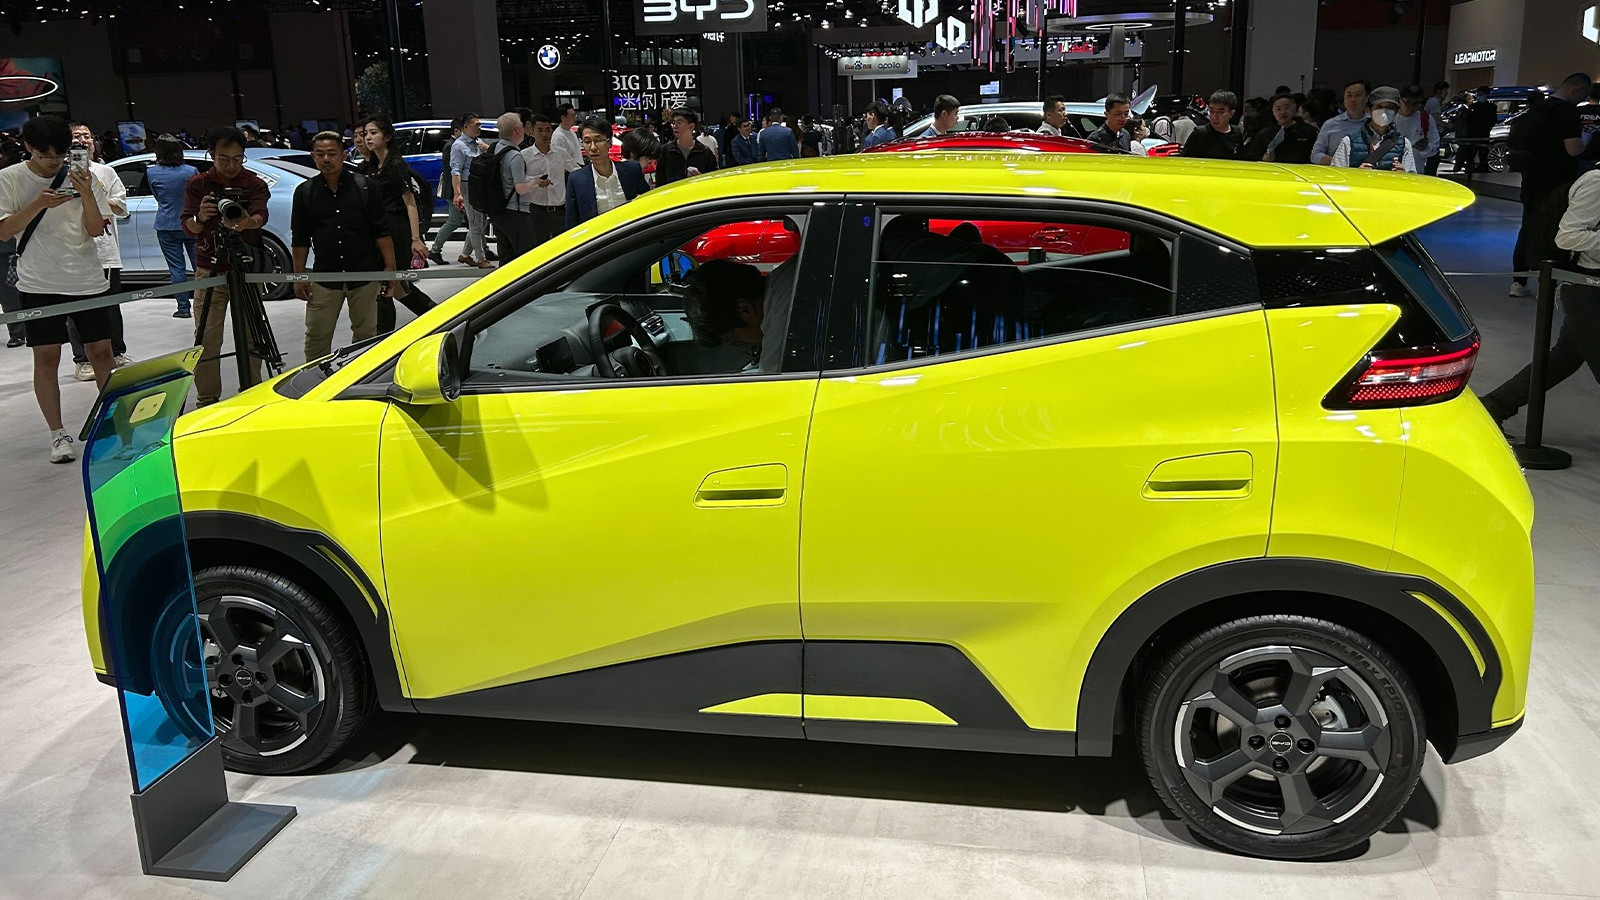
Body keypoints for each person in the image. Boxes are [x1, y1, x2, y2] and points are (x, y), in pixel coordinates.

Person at [0, 115, 113, 461]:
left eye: (60, 154)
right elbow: (4, 232)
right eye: (45, 155)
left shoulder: (84, 174)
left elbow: (95, 230)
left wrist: (86, 192)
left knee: (102, 353)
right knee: (46, 357)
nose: (53, 161)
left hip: (87, 279)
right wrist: (39, 203)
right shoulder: (9, 178)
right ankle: (58, 434)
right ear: (28, 147)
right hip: (38, 282)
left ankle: (112, 425)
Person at [1479, 170, 1600, 428]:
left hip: (1590, 287)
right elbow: (1568, 236)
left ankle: (1493, 406)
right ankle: (1492, 407)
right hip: (1585, 288)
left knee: (1563, 359)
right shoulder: (1597, 183)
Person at [183, 125, 271, 407]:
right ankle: (207, 401)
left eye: (237, 159)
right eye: (224, 159)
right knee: (207, 339)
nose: (231, 166)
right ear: (212, 154)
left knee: (252, 336)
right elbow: (188, 227)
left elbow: (261, 215)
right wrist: (200, 216)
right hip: (209, 268)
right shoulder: (198, 184)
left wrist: (247, 222)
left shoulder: (254, 183)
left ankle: (253, 395)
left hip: (245, 268)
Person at [292, 132, 390, 359]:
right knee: (316, 337)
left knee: (366, 337)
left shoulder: (365, 186)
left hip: (364, 273)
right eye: (320, 154)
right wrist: (299, 276)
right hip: (325, 276)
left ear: (343, 155)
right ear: (313, 157)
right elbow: (300, 238)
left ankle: (361, 377)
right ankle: (315, 379)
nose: (326, 159)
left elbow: (382, 231)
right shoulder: (305, 192)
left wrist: (390, 269)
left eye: (332, 153)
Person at [1510, 73, 1593, 298]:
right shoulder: (1567, 112)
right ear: (1577, 90)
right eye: (1583, 95)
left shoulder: (1537, 107)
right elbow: (1573, 149)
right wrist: (1586, 139)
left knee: (1527, 229)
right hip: (1557, 182)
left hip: (1531, 180)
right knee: (1553, 232)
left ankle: (1518, 282)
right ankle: (1547, 286)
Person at [358, 116, 438, 333]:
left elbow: (410, 203)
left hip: (395, 233)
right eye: (366, 134)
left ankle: (383, 340)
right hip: (377, 233)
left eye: (373, 133)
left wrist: (416, 239)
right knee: (398, 288)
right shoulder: (371, 166)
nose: (368, 138)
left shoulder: (395, 164)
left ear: (387, 137)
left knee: (385, 288)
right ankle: (437, 317)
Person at [66, 121, 132, 380]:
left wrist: (94, 195)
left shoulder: (106, 172)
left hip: (105, 251)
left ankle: (117, 352)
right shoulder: (61, 174)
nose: (82, 141)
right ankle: (82, 360)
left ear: (94, 143)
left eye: (87, 137)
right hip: (73, 252)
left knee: (110, 306)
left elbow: (121, 206)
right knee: (76, 309)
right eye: (76, 137)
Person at [683, 257, 797, 374]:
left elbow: (769, 379)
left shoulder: (780, 326)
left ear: (744, 310)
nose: (745, 348)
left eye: (734, 340)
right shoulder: (787, 274)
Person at [148, 134, 198, 318]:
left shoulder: (151, 172)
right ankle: (205, 303)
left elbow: (157, 197)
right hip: (191, 224)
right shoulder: (191, 171)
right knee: (200, 267)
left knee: (176, 268)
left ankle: (183, 308)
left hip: (166, 224)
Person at [565, 118, 650, 227]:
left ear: (610, 142)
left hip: (630, 233)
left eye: (598, 140)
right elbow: (571, 222)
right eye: (587, 142)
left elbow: (647, 203)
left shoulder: (631, 170)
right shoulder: (577, 180)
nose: (593, 147)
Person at [1330, 86, 1417, 173]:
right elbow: (1336, 175)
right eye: (1379, 106)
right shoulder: (1349, 142)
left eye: (1390, 107)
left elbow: (1412, 177)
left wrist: (1404, 174)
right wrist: (1356, 173)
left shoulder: (1404, 144)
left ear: (1396, 112)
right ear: (1369, 110)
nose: (1384, 111)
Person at [522, 113, 575, 247]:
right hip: (536, 211)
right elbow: (519, 180)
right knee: (539, 248)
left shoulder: (560, 152)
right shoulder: (525, 155)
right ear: (532, 132)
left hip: (559, 211)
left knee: (563, 247)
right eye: (540, 130)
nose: (545, 134)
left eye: (548, 130)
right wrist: (535, 181)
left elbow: (576, 171)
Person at [450, 112, 493, 269]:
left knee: (481, 222)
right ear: (465, 127)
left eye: (480, 125)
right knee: (475, 223)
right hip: (467, 185)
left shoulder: (479, 142)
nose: (479, 128)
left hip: (480, 185)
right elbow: (455, 171)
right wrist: (457, 193)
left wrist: (488, 149)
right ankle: (481, 258)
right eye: (476, 125)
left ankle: (465, 254)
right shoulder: (458, 146)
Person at [1313, 80, 1371, 165]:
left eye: (1358, 95)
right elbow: (1315, 155)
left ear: (1366, 98)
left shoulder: (1373, 124)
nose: (1353, 100)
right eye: (1349, 95)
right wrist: (1340, 162)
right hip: (1335, 171)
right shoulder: (1330, 124)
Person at [1249, 94, 1319, 164]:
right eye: (1278, 109)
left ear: (1295, 108)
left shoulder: (1309, 131)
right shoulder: (1264, 134)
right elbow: (1252, 157)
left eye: (1286, 108)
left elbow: (1315, 156)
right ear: (1273, 111)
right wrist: (1262, 159)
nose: (1282, 112)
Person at [656, 108, 719, 185]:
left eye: (679, 123)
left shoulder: (705, 152)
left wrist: (700, 178)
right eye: (673, 123)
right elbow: (660, 181)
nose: (674, 126)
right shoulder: (665, 151)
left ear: (691, 126)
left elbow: (714, 181)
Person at [1183, 91, 1245, 160]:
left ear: (1232, 113)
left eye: (1220, 112)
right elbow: (1186, 161)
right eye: (1211, 111)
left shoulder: (1236, 132)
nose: (1214, 116)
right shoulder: (1199, 134)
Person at [1396, 85, 1441, 177]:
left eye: (1417, 104)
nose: (1411, 107)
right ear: (1400, 101)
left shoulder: (1425, 119)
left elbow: (1435, 146)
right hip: (1390, 172)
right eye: (1408, 103)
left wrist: (1425, 148)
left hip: (1416, 173)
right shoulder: (1389, 117)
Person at [1455, 86, 1497, 176]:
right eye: (1478, 94)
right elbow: (1468, 121)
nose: (1479, 96)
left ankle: (1483, 170)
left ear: (1487, 95)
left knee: (1483, 154)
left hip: (1484, 134)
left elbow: (1492, 120)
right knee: (1470, 155)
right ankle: (1469, 170)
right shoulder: (1472, 107)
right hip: (1472, 135)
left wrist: (1486, 129)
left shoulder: (1492, 107)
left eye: (1481, 94)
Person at [551, 103, 583, 169]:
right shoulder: (558, 137)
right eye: (572, 116)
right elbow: (561, 161)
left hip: (579, 167)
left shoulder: (571, 131)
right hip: (570, 171)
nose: (575, 118)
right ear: (563, 118)